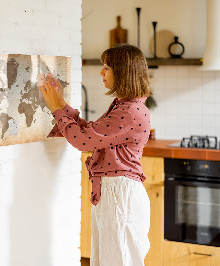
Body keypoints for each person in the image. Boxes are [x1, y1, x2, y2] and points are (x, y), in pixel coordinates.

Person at [39, 44, 152, 266]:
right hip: (114, 193)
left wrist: (55, 108)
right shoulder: (125, 106)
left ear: (123, 71)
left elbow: (83, 141)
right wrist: (61, 104)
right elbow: (92, 133)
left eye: (107, 67)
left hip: (120, 195)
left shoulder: (129, 111)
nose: (101, 72)